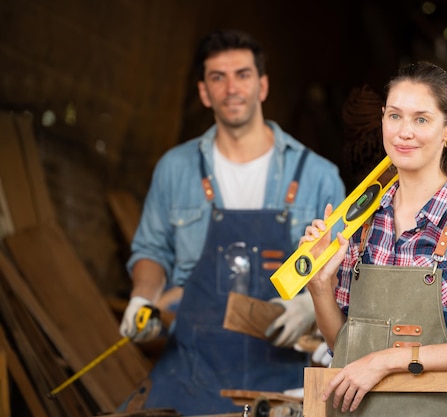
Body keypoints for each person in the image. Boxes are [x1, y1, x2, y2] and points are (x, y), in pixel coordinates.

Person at [117, 29, 345, 415]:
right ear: (204, 92)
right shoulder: (175, 169)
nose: (231, 88)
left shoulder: (318, 175)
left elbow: (346, 268)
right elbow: (152, 250)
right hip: (191, 369)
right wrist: (143, 296)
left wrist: (309, 306)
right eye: (217, 78)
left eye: (242, 74)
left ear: (263, 86)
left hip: (285, 375)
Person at [301, 61, 447, 416]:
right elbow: (341, 348)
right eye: (394, 116)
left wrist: (390, 360)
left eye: (421, 119)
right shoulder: (361, 220)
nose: (405, 132)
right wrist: (319, 286)